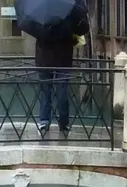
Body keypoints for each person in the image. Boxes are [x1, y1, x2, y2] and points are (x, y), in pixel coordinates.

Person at [34, 2, 89, 137]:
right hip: (63, 59)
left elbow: (36, 32)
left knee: (46, 92)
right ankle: (63, 124)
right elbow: (82, 29)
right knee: (61, 92)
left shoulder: (41, 11)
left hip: (44, 59)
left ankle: (44, 122)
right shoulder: (69, 9)